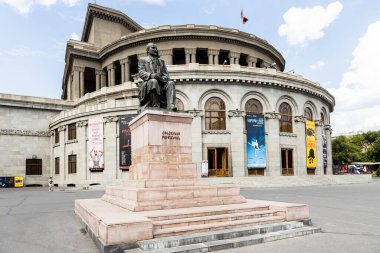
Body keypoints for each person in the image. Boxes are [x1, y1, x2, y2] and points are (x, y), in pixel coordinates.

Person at [138, 42, 177, 111]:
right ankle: (155, 105)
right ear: (148, 50)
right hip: (149, 84)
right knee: (153, 81)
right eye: (153, 48)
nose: (155, 49)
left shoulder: (161, 61)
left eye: (156, 48)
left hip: (161, 84)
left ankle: (171, 105)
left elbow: (166, 75)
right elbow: (141, 73)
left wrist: (162, 78)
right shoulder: (143, 60)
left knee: (171, 83)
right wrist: (152, 75)